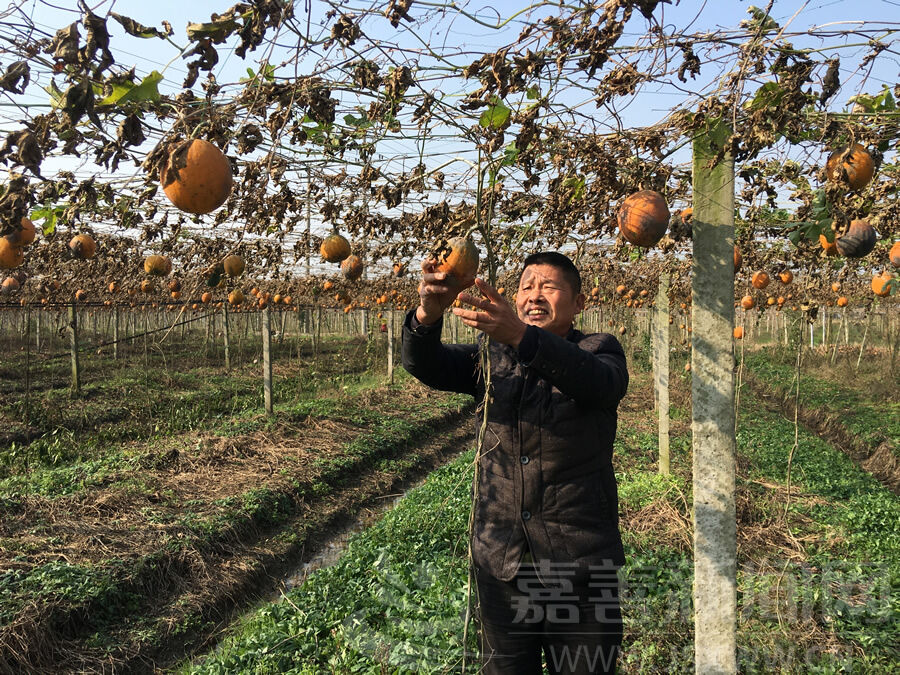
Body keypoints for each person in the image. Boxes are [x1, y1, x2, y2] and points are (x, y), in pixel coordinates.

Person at [401, 251, 629, 674]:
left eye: (549, 286)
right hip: (503, 564)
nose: (535, 295)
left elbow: (600, 384)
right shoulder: (493, 359)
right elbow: (425, 364)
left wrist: (523, 338)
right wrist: (428, 314)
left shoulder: (600, 350)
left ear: (578, 303)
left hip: (579, 569)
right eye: (526, 286)